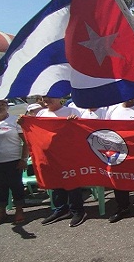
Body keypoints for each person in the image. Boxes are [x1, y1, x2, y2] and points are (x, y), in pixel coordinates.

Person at [35, 96, 86, 227]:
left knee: (72, 183)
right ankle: (61, 209)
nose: (46, 100)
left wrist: (75, 122)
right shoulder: (41, 113)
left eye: (49, 97)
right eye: (43, 98)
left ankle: (78, 211)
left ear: (59, 98)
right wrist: (23, 122)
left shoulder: (70, 111)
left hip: (68, 155)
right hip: (51, 156)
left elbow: (81, 131)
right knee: (56, 183)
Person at [0, 99, 29, 225]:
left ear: (7, 106)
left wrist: (23, 159)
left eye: (3, 104)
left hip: (14, 161)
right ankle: (2, 212)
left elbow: (26, 142)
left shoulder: (15, 121)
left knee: (16, 186)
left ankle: (19, 210)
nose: (0, 106)